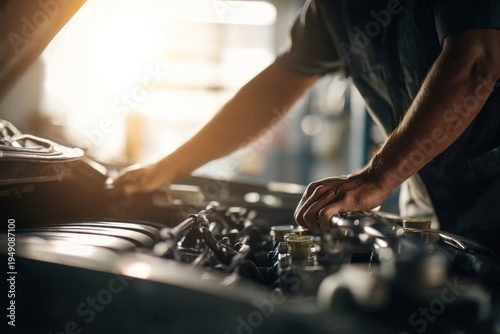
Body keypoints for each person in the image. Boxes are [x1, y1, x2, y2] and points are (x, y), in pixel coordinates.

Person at [113, 0, 500, 254]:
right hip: (430, 208)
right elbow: (272, 90)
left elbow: (477, 63)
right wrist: (167, 169)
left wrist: (377, 177)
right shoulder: (331, 10)